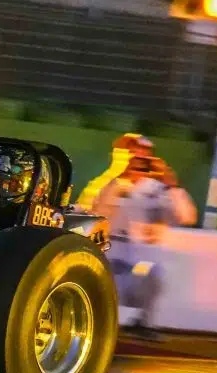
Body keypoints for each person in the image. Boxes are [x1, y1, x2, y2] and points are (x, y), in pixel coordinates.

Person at [85, 134, 198, 338]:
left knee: (156, 273)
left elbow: (186, 216)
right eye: (133, 155)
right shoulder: (107, 183)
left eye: (143, 156)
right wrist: (120, 181)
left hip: (139, 259)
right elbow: (94, 214)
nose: (138, 160)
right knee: (102, 284)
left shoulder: (158, 189)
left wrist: (171, 183)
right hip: (111, 256)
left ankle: (146, 322)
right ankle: (98, 325)